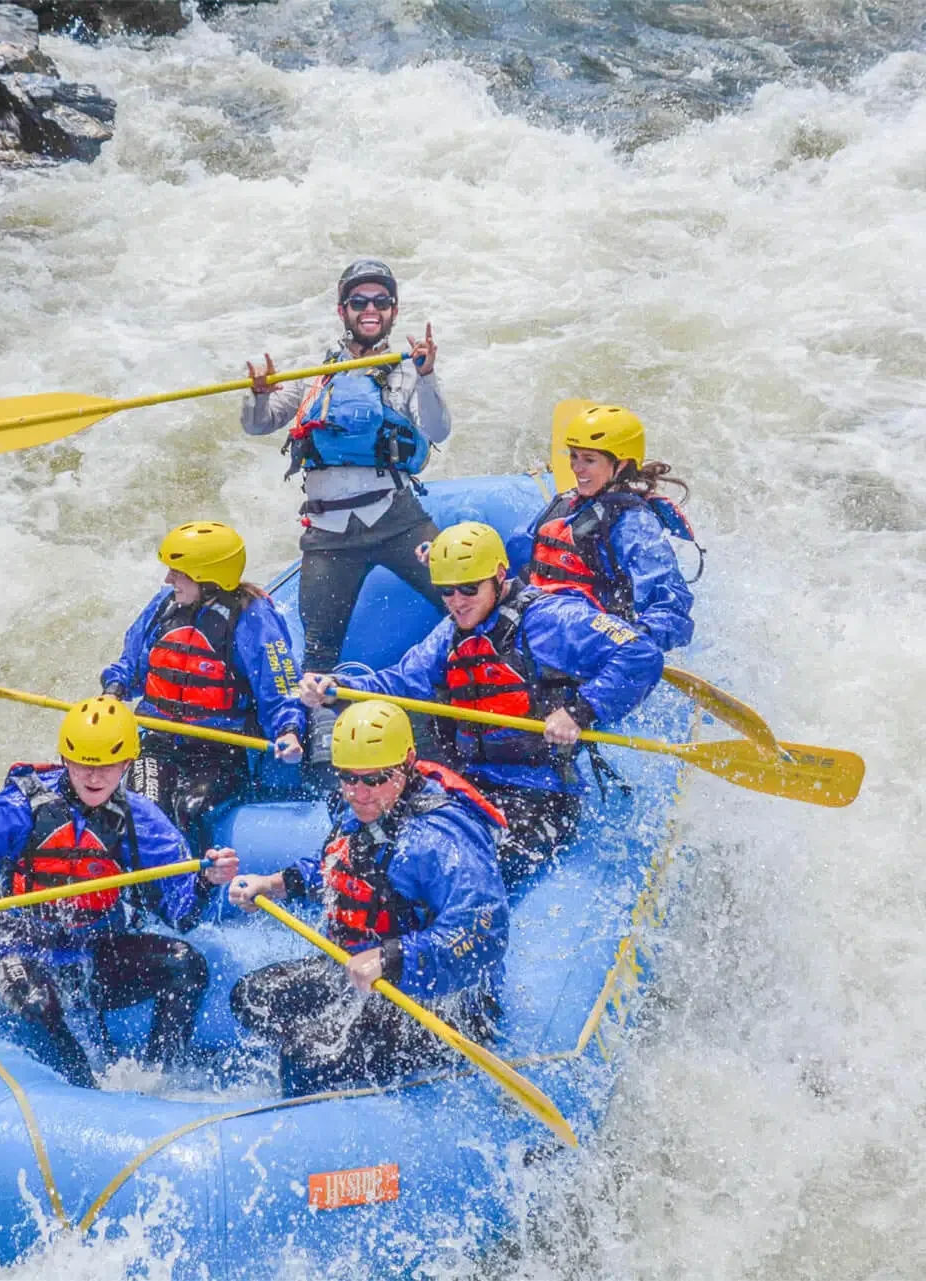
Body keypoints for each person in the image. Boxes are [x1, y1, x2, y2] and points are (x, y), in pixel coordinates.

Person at [298, 522, 663, 885]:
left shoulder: (551, 619)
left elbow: (640, 653)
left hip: (539, 792)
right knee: (384, 838)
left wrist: (579, 711)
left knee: (466, 868)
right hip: (469, 783)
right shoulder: (452, 631)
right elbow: (401, 681)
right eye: (446, 591)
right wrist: (340, 686)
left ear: (500, 575)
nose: (456, 601)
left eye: (468, 588)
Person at [0, 696, 240, 1088]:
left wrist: (205, 881)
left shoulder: (140, 820)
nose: (94, 778)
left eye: (107, 766)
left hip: (94, 952)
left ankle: (158, 1080)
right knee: (36, 1003)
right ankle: (84, 1090)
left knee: (186, 966)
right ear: (65, 760)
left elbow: (181, 913)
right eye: (83, 765)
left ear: (127, 764)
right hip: (21, 950)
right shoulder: (17, 808)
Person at [226, 699, 509, 1096]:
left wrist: (390, 957)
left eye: (375, 779)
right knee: (251, 997)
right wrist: (272, 884)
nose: (359, 793)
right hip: (358, 976)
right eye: (348, 778)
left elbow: (484, 933)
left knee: (306, 1057)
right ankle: (345, 1074)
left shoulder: (440, 839)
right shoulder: (363, 807)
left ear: (409, 761)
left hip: (431, 1002)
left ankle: (344, 1092)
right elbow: (339, 863)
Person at [240, 259, 453, 738]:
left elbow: (438, 430)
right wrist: (258, 394)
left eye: (381, 301)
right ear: (343, 310)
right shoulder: (318, 369)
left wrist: (428, 376)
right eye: (360, 301)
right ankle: (321, 752)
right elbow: (260, 423)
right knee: (319, 651)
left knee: (463, 598)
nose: (370, 309)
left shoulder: (406, 367)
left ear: (394, 311)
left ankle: (466, 707)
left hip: (397, 517)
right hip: (329, 533)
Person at [101, 521, 305, 843]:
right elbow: (131, 666)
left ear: (208, 578)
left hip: (219, 748)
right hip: (158, 741)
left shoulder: (251, 617)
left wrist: (289, 730)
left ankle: (197, 880)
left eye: (178, 572)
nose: (168, 579)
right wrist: (113, 691)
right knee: (145, 809)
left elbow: (279, 687)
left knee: (190, 809)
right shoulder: (164, 606)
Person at [525, 404, 700, 651]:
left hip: (590, 646)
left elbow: (671, 606)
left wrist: (640, 635)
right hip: (540, 630)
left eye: (589, 460)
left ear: (621, 464)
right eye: (574, 456)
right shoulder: (566, 504)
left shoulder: (633, 524)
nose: (576, 468)